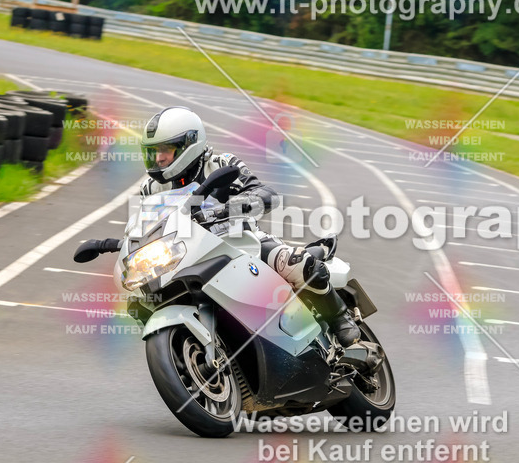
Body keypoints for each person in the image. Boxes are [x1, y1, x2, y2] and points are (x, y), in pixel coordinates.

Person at [138, 106, 360, 347]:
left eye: (165, 150)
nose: (158, 158)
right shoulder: (150, 190)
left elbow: (266, 194)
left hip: (241, 242)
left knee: (297, 263)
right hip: (188, 254)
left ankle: (340, 320)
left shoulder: (221, 164)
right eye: (153, 151)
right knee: (145, 296)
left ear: (188, 144)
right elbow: (146, 227)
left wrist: (231, 207)